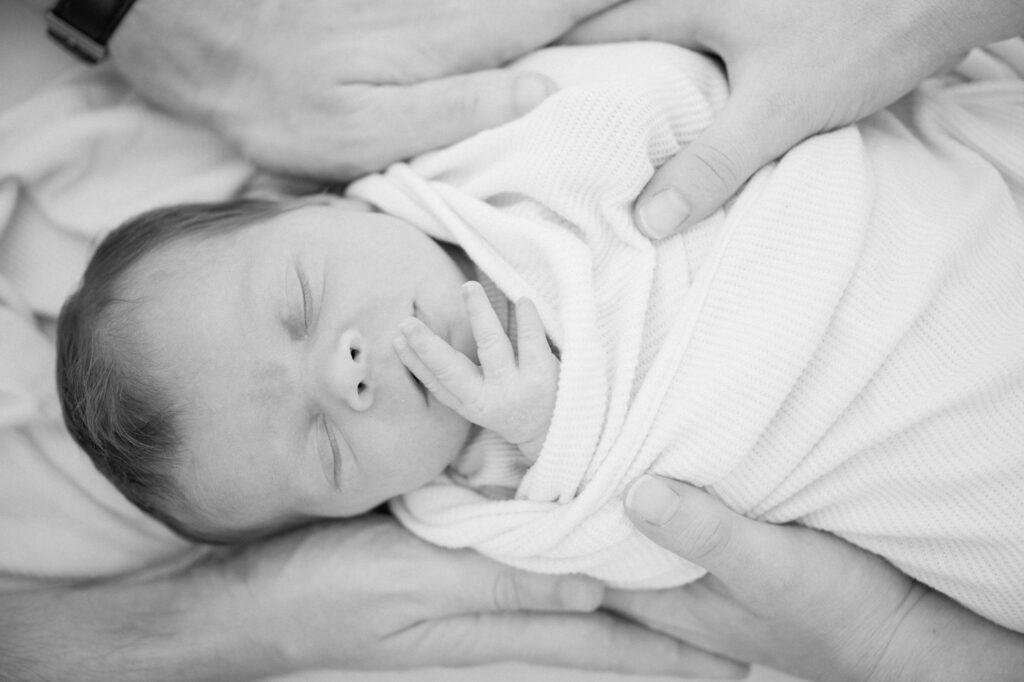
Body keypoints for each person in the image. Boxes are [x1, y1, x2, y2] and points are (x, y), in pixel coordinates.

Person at [4, 1, 1024, 681]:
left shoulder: (481, 150)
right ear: (354, 511)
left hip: (915, 214)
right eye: (321, 441)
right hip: (916, 453)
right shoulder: (472, 501)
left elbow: (661, 89)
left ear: (323, 199)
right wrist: (550, 426)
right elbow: (644, 539)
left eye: (302, 304)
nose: (344, 371)